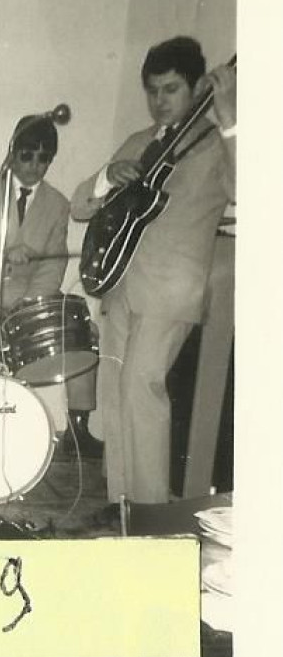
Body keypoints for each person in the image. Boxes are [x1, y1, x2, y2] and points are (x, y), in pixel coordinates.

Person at [71, 36, 236, 510]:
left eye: (171, 90)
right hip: (121, 287)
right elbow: (83, 205)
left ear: (197, 86)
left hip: (170, 293)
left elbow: (248, 187)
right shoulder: (139, 142)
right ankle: (121, 506)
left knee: (143, 390)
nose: (160, 102)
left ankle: (148, 515)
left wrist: (227, 115)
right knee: (116, 394)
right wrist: (107, 176)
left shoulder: (215, 142)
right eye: (153, 91)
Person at [0, 114, 100, 456]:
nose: (34, 166)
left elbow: (53, 265)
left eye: (44, 158)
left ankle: (76, 427)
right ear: (12, 152)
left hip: (25, 296)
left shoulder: (58, 205)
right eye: (27, 155)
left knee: (82, 326)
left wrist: (28, 307)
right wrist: (5, 255)